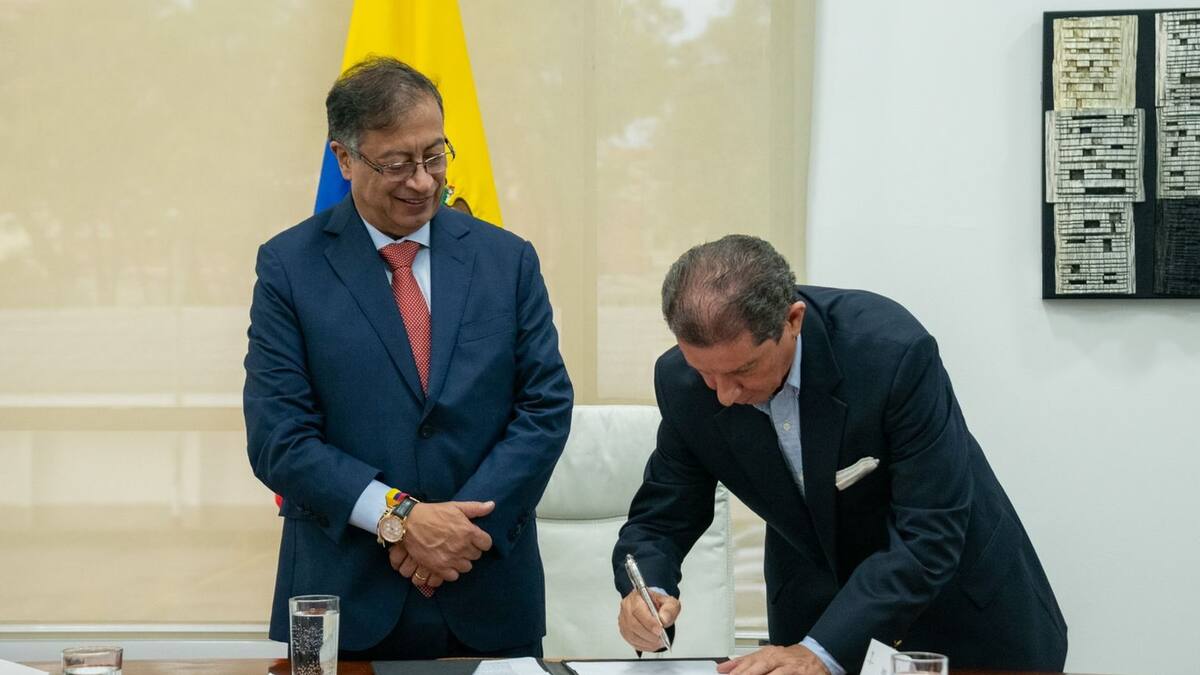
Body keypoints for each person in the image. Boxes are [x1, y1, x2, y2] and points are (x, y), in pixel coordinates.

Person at [612, 235, 1067, 673]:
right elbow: (664, 515)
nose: (725, 394)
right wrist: (648, 590)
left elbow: (929, 532)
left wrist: (821, 651)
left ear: (793, 320)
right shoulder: (682, 384)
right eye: (705, 373)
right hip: (813, 614)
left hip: (958, 618)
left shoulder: (890, 353)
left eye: (743, 370)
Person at [244, 57, 573, 659]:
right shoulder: (290, 268)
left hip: (487, 590)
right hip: (345, 599)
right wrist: (399, 517)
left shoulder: (507, 261)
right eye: (396, 163)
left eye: (434, 156)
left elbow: (544, 409)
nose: (422, 182)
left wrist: (460, 532)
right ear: (344, 159)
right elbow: (279, 438)